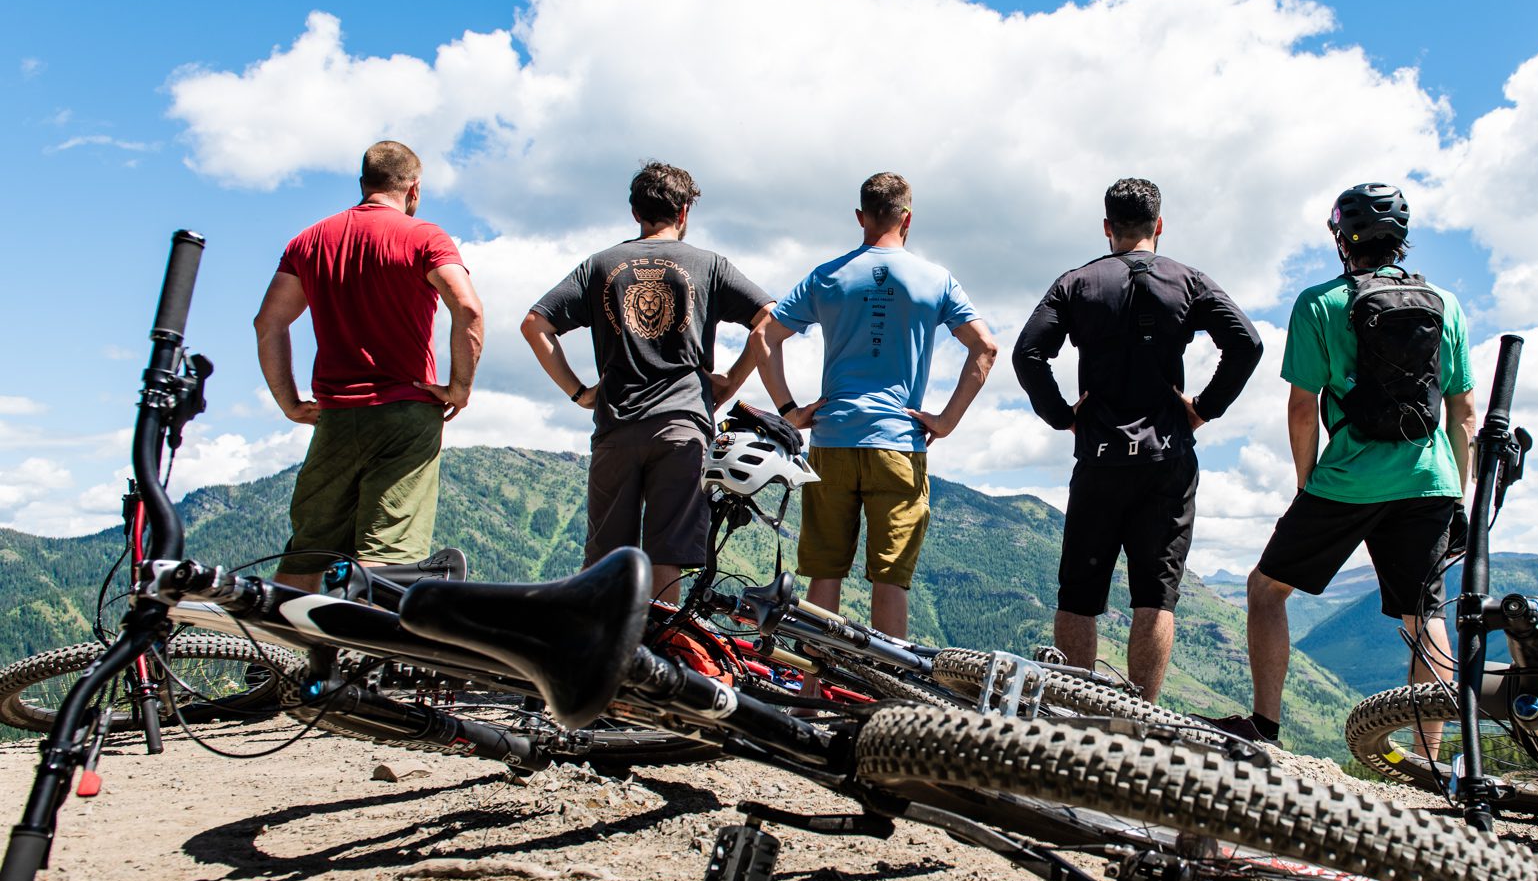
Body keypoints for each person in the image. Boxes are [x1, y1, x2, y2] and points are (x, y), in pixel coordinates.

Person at [1223, 183, 1475, 745]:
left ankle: (1264, 726)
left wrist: (1307, 483)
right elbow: (1463, 411)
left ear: (1342, 239)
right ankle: (1427, 760)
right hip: (1430, 479)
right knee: (1423, 617)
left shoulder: (1320, 302)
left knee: (1266, 589)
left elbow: (1302, 407)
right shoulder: (1446, 305)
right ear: (1402, 240)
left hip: (1347, 480)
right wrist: (1461, 493)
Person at [1012, 178, 1263, 699]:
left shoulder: (1076, 283)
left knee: (1079, 595)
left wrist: (1063, 416)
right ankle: (1139, 714)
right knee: (1155, 597)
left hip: (1099, 458)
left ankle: (1078, 711)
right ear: (1160, 225)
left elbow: (1027, 354)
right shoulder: (1188, 280)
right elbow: (1247, 343)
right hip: (1167, 459)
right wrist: (1204, 410)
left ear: (1107, 228)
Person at [751, 172, 998, 638]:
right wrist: (945, 421)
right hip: (899, 446)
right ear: (907, 218)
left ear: (860, 216)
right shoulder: (936, 279)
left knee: (825, 575)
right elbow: (985, 347)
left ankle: (811, 690)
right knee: (891, 580)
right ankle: (889, 691)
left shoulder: (827, 275)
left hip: (832, 441)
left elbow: (764, 336)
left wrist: (789, 410)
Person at [522, 162, 774, 599]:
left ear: (634, 211)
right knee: (668, 557)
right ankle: (660, 658)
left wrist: (580, 393)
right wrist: (730, 383)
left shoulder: (600, 265)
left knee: (605, 562)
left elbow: (534, 325)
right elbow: (769, 319)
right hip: (682, 426)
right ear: (684, 212)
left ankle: (604, 657)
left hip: (617, 426)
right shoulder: (709, 265)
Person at [254, 140, 485, 593]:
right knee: (389, 556)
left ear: (364, 184)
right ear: (413, 189)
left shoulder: (309, 241)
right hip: (406, 413)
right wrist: (459, 387)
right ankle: (367, 662)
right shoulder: (425, 237)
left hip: (335, 415)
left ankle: (270, 662)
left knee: (309, 549)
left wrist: (289, 402)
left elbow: (269, 322)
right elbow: (469, 309)